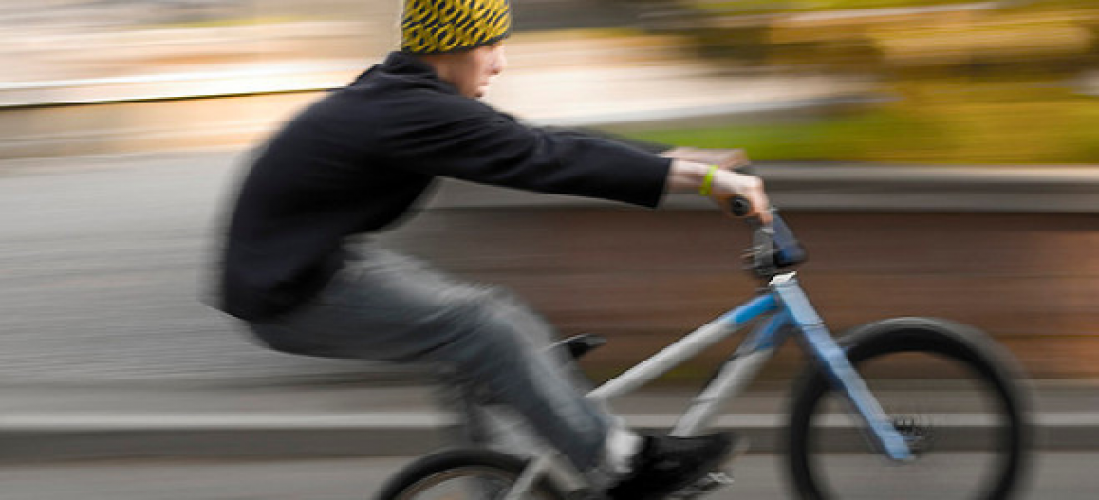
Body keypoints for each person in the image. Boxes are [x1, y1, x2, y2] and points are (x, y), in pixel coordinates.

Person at [213, 0, 770, 497]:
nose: (499, 62)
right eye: (491, 44)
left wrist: (677, 156)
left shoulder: (402, 93)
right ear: (453, 45)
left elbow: (544, 141)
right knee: (485, 324)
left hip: (311, 258)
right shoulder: (416, 112)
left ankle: (502, 471)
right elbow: (547, 159)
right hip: (291, 287)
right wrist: (700, 182)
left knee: (489, 329)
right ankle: (622, 467)